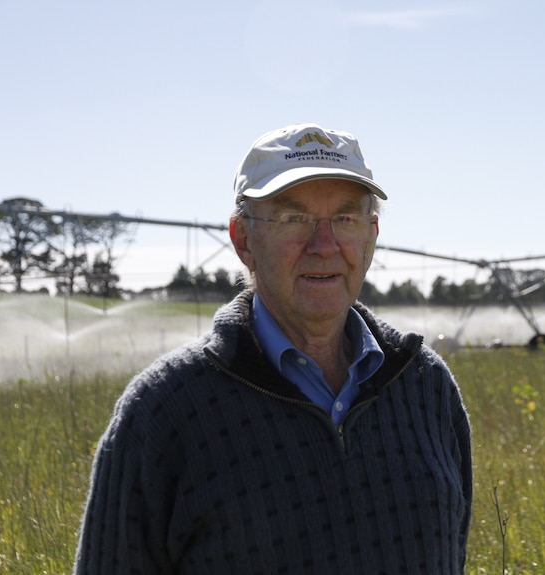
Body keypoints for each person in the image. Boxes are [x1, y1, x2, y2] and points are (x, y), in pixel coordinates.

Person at [74, 123, 473, 574]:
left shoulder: (426, 387)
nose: (324, 246)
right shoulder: (165, 409)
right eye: (292, 219)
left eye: (345, 219)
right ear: (244, 239)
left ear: (372, 235)